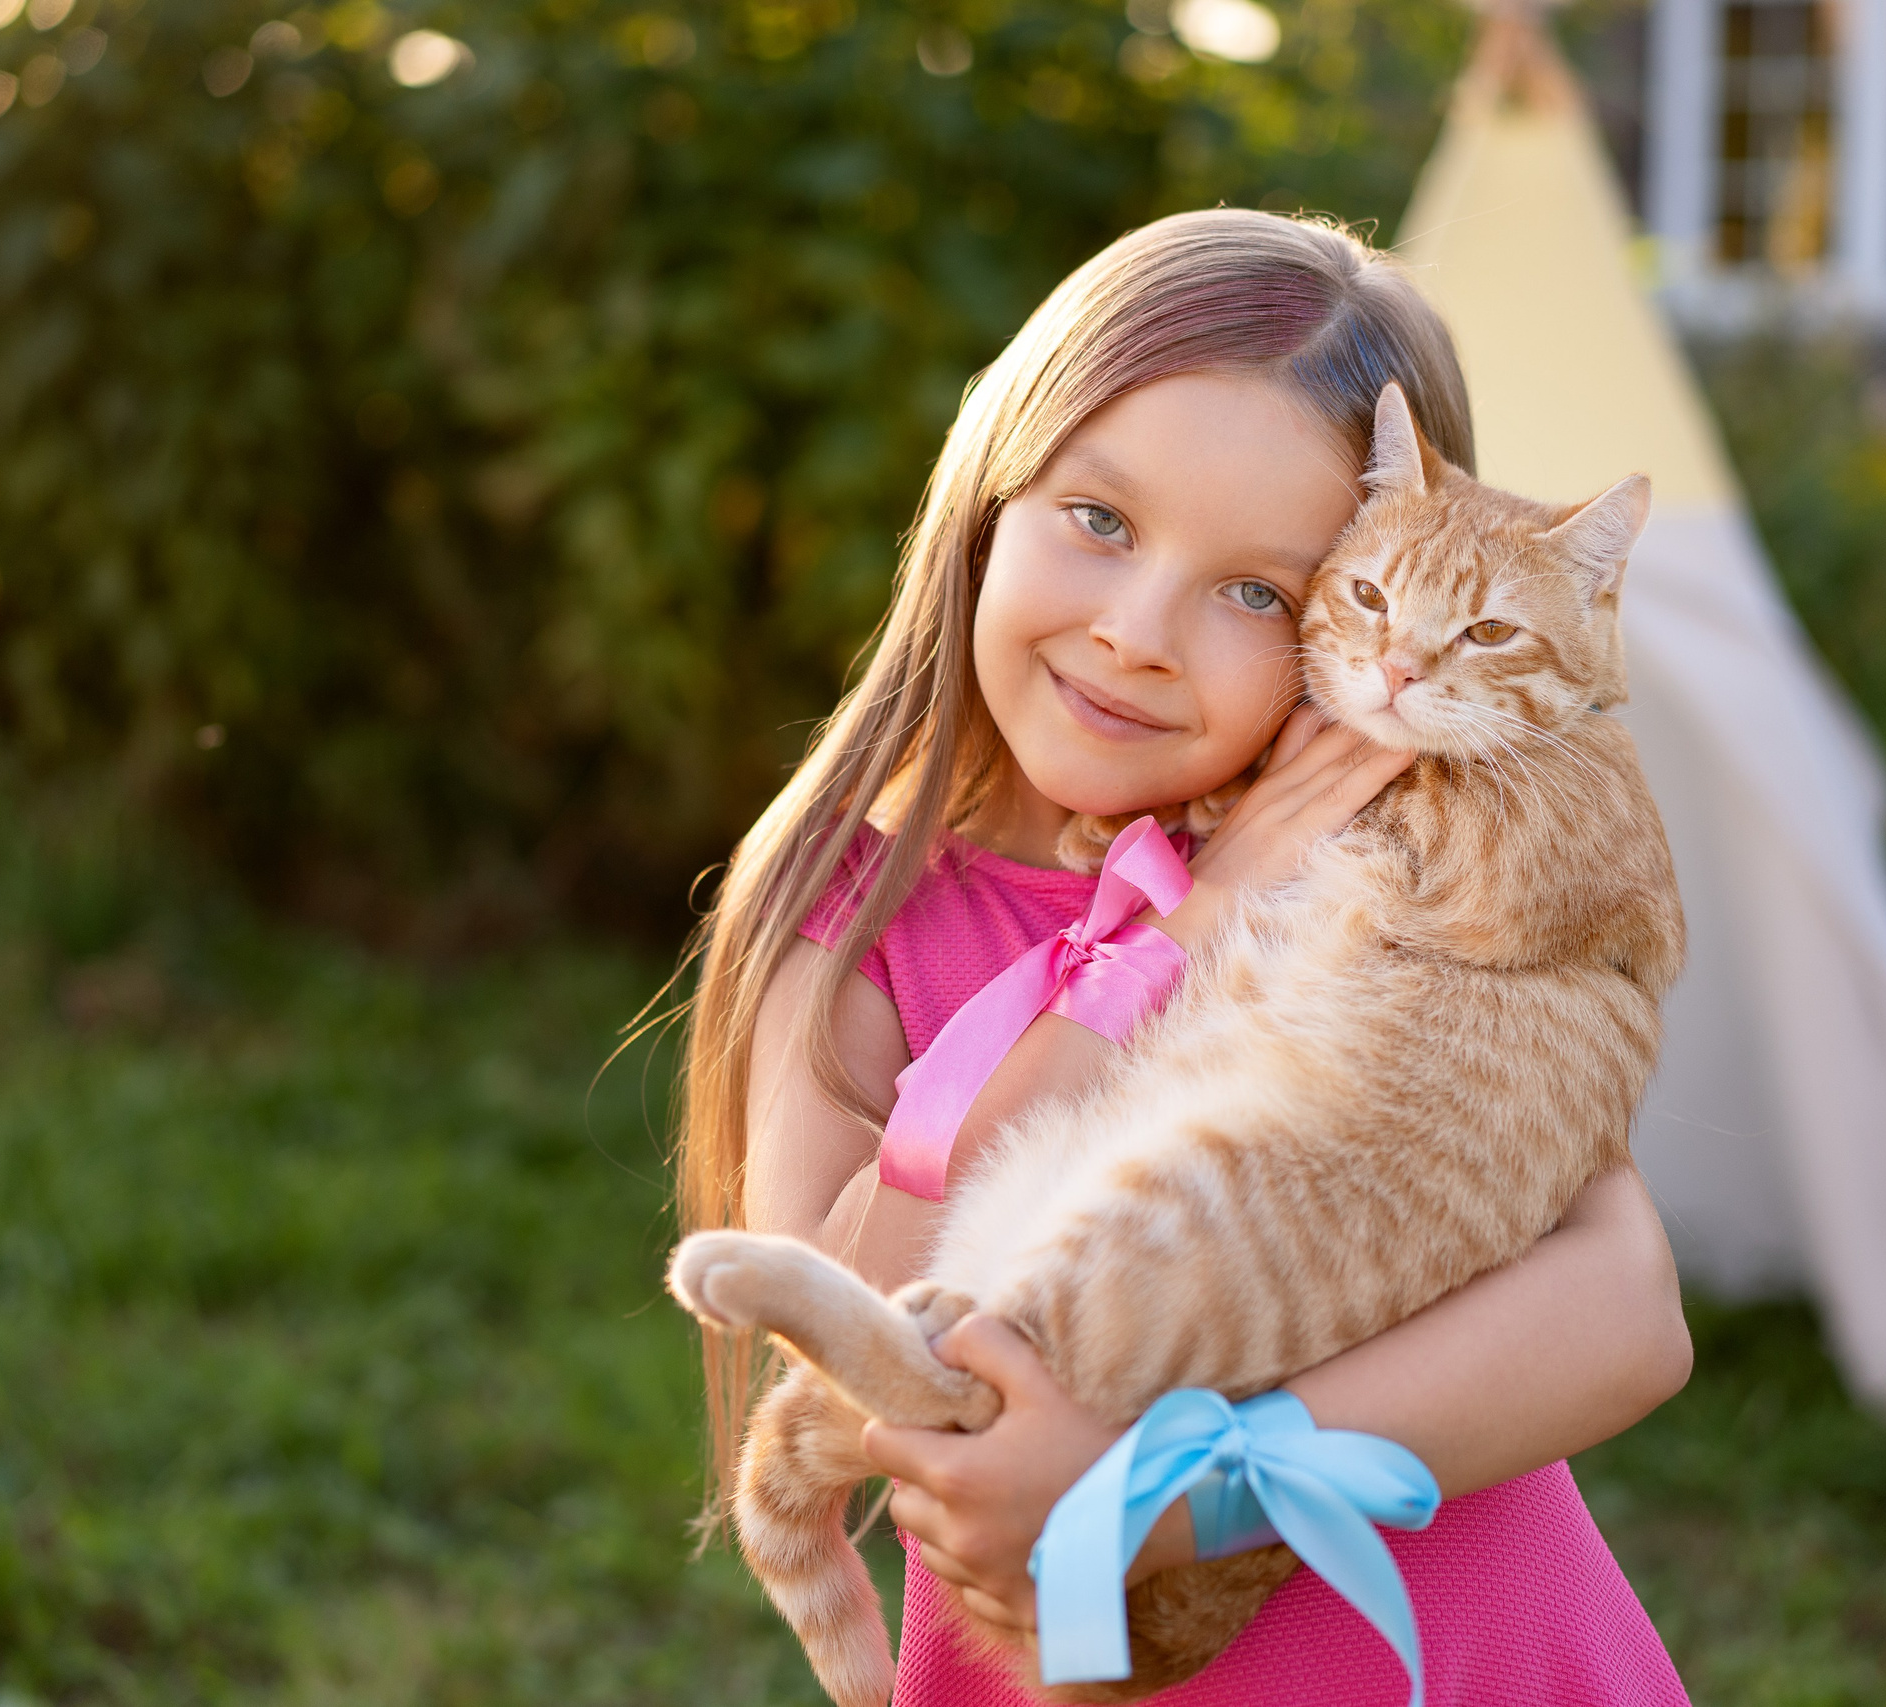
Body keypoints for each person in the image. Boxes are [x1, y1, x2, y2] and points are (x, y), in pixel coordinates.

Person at [675, 209, 1693, 1704]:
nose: (1138, 634)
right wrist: (1180, 935)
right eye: (1099, 520)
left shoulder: (1400, 879)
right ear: (988, 489)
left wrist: (1190, 1494)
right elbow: (850, 1321)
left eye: (1256, 595)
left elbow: (1626, 1319)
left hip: (1469, 1657)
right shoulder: (860, 910)